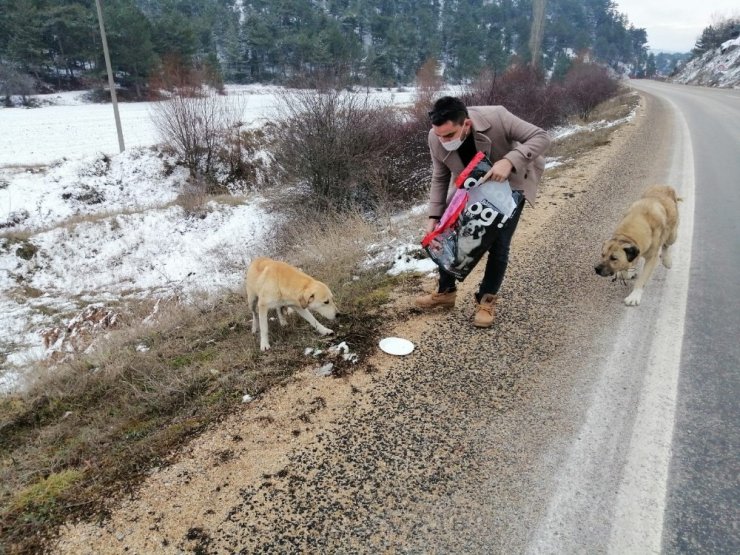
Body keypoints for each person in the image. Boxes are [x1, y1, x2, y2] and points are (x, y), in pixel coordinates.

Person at [416, 96, 551, 327]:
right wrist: (434, 216)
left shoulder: (496, 117)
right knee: (450, 234)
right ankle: (446, 292)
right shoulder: (436, 137)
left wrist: (509, 161)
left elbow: (541, 136)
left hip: (511, 183)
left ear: (466, 124)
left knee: (499, 243)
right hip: (472, 185)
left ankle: (486, 301)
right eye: (439, 135)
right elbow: (440, 176)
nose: (443, 140)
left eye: (449, 135)